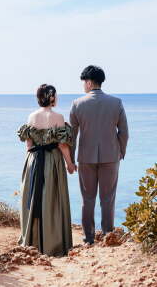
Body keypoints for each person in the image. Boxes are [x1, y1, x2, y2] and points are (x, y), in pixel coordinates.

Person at [69, 65, 129, 245]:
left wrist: (70, 159)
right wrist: (121, 151)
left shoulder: (77, 104)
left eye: (83, 82)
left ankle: (88, 238)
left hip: (86, 158)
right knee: (108, 199)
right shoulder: (116, 102)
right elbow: (124, 132)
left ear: (88, 82)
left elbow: (72, 136)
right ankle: (107, 235)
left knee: (87, 199)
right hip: (111, 157)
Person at [17, 84, 76, 256]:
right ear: (51, 97)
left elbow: (29, 145)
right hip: (52, 161)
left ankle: (32, 241)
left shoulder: (32, 116)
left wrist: (32, 162)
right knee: (52, 200)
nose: (57, 98)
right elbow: (62, 145)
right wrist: (70, 164)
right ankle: (53, 243)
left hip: (33, 161)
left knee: (33, 198)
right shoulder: (58, 117)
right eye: (55, 95)